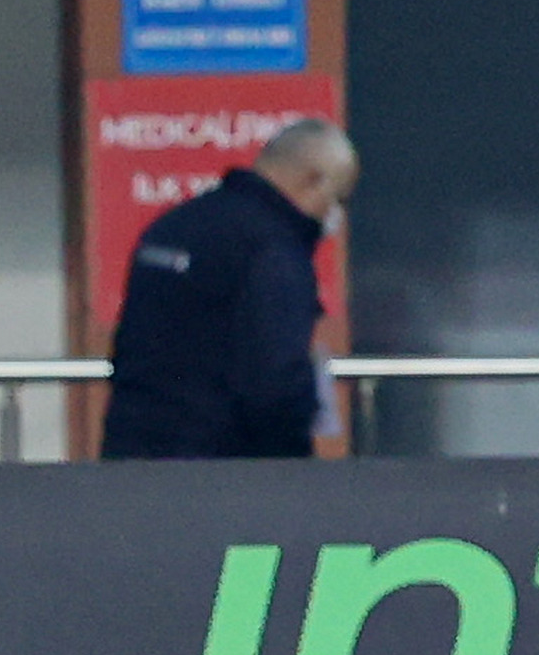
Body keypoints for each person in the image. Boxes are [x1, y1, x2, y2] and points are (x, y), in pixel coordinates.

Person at [101, 118, 358, 459]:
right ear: (312, 180)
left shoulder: (172, 226)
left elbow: (128, 347)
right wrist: (294, 466)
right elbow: (276, 382)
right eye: (338, 198)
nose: (336, 214)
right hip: (222, 466)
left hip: (131, 450)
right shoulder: (273, 250)